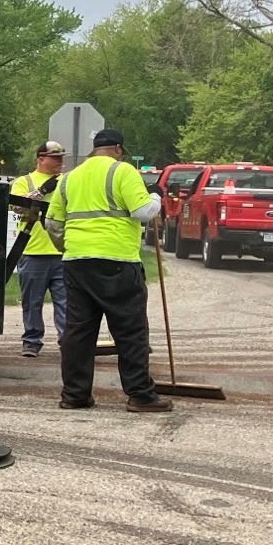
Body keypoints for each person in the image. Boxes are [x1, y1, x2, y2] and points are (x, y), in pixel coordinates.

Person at [46, 127, 172, 413]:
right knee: (130, 330)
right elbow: (142, 212)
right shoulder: (123, 172)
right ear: (117, 149)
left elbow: (53, 224)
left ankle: (75, 395)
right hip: (117, 261)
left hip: (77, 262)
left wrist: (67, 248)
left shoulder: (68, 179)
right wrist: (156, 197)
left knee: (78, 331)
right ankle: (140, 394)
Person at [9, 140, 68, 358]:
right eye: (55, 158)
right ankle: (32, 341)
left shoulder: (66, 182)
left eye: (61, 157)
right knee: (32, 302)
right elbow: (16, 206)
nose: (60, 162)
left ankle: (67, 341)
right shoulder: (24, 182)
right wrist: (40, 193)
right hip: (33, 250)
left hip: (62, 250)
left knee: (66, 302)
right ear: (41, 159)